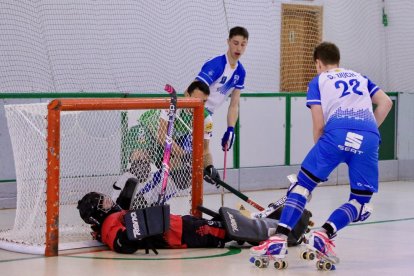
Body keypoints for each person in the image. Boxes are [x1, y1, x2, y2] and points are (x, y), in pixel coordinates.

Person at [250, 42, 393, 267]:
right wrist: (367, 130)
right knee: (360, 202)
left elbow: (318, 124)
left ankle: (279, 238)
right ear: (338, 59)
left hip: (335, 136)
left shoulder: (319, 81)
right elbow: (386, 102)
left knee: (302, 186)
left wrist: (322, 154)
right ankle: (324, 234)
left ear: (318, 63)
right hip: (368, 137)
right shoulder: (361, 77)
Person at [124, 80, 220, 199]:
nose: (198, 104)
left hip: (171, 142)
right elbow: (162, 135)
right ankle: (120, 197)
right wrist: (184, 154)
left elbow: (205, 149)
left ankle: (148, 200)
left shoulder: (206, 119)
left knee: (183, 176)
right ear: (187, 95)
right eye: (195, 99)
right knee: (140, 166)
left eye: (203, 101)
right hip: (147, 131)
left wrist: (209, 166)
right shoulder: (173, 106)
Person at [77, 192, 229, 254]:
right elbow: (120, 243)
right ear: (98, 214)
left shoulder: (111, 218)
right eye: (103, 204)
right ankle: (252, 235)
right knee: (225, 231)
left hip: (179, 225)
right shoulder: (108, 227)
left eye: (105, 199)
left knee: (223, 226)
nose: (108, 202)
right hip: (179, 234)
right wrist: (138, 231)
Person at [192, 26, 248, 154]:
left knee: (203, 153)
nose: (239, 48)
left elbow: (234, 105)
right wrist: (198, 113)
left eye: (243, 45)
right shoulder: (216, 64)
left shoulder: (241, 72)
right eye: (235, 43)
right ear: (228, 42)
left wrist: (230, 129)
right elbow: (191, 91)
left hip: (208, 115)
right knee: (186, 156)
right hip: (193, 112)